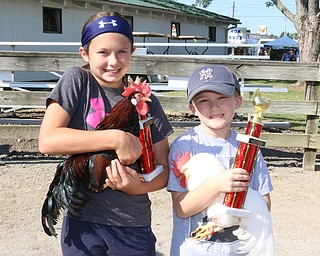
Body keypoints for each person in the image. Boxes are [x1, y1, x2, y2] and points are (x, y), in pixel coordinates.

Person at [38, 11, 173, 256]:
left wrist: (138, 187)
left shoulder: (144, 99)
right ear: (85, 54)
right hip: (82, 220)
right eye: (103, 52)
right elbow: (47, 140)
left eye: (121, 52)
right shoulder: (77, 81)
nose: (113, 61)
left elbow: (164, 169)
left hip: (132, 223)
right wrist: (116, 137)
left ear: (132, 52)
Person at [167, 65, 273, 255]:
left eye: (222, 98)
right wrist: (217, 184)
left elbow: (264, 203)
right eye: (204, 100)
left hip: (237, 250)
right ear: (193, 107)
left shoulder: (249, 150)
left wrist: (240, 214)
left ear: (237, 101)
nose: (214, 107)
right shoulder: (185, 145)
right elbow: (181, 208)